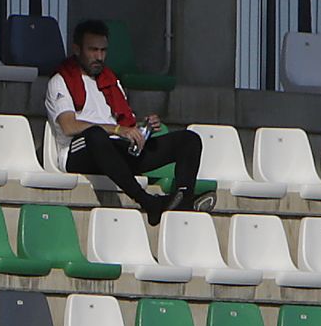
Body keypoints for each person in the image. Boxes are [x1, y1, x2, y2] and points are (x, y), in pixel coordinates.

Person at [46, 19, 207, 225]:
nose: (99, 56)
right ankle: (147, 202)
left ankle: (183, 200)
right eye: (93, 50)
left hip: (116, 148)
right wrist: (117, 129)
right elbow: (69, 126)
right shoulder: (60, 81)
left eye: (103, 50)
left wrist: (143, 127)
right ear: (77, 49)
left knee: (189, 140)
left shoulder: (111, 81)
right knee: (96, 135)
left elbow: (123, 123)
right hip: (79, 151)